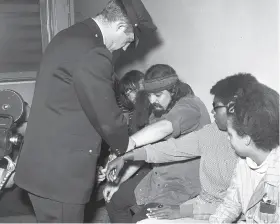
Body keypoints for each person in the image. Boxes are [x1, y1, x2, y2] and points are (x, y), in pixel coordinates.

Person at [14, 0, 157, 222]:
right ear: (119, 27)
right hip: (60, 178)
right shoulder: (94, 52)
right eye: (128, 40)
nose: (126, 48)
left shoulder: (69, 36)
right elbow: (108, 119)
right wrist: (126, 144)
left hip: (42, 166)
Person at [106, 73, 258, 223]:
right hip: (200, 203)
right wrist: (127, 156)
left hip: (219, 212)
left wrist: (182, 211)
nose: (211, 112)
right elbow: (172, 149)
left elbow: (233, 206)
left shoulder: (252, 151)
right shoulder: (212, 132)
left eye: (216, 107)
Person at [105, 64, 211, 223]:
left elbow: (165, 127)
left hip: (181, 187)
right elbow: (145, 152)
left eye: (158, 95)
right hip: (156, 180)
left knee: (141, 220)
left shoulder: (191, 105)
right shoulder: (158, 110)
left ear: (174, 91)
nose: (152, 100)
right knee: (114, 201)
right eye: (149, 95)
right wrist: (118, 181)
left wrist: (131, 142)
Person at [209, 83, 279, 223]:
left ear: (246, 138)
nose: (227, 138)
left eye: (230, 134)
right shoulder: (243, 163)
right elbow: (230, 205)